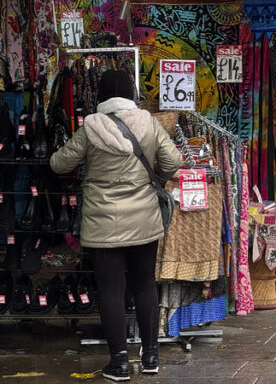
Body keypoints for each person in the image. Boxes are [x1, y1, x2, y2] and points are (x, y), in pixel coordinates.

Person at [50, 70, 182, 382]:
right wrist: (157, 177)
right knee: (145, 285)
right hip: (144, 220)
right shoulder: (149, 122)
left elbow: (59, 163)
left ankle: (119, 364)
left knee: (111, 290)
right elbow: (173, 161)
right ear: (133, 93)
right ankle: (150, 357)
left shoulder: (90, 128)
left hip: (102, 222)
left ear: (102, 95)